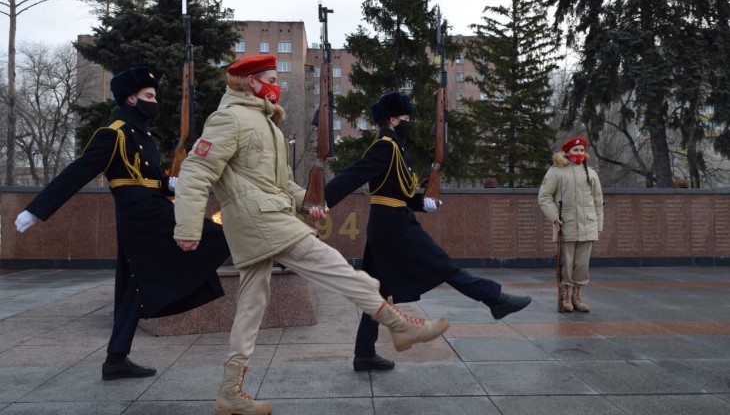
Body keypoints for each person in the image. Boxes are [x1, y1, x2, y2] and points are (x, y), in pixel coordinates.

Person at [172, 55, 450, 415]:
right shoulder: (230, 118)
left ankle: (229, 392)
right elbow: (195, 170)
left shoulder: (266, 124)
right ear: (250, 82)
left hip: (265, 217)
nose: (277, 85)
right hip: (262, 219)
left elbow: (282, 183)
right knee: (333, 265)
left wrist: (310, 201)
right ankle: (398, 324)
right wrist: (188, 226)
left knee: (251, 307)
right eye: (271, 78)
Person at [14, 66, 231, 380]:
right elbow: (79, 171)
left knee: (137, 286)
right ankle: (196, 278)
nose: (154, 101)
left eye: (154, 96)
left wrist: (170, 184)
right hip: (140, 216)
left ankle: (116, 359)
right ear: (131, 98)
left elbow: (152, 178)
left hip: (152, 209)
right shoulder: (113, 132)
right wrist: (35, 210)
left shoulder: (143, 134)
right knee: (216, 233)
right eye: (148, 96)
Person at [323, 91, 533, 372]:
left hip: (389, 222)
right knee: (444, 265)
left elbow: (402, 193)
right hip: (393, 226)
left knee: (377, 291)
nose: (410, 123)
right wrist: (321, 199)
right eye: (407, 118)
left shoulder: (396, 148)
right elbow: (354, 174)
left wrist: (424, 202)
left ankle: (364, 353)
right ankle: (496, 300)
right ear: (394, 118)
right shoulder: (385, 146)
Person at [538, 135, 604, 313]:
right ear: (567, 152)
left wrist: (598, 224)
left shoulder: (591, 173)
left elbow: (598, 200)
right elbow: (544, 197)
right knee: (567, 263)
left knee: (582, 264)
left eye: (582, 150)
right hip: (566, 224)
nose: (579, 153)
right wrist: (554, 217)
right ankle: (566, 296)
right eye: (575, 150)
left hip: (587, 224)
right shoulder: (556, 171)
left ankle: (577, 296)